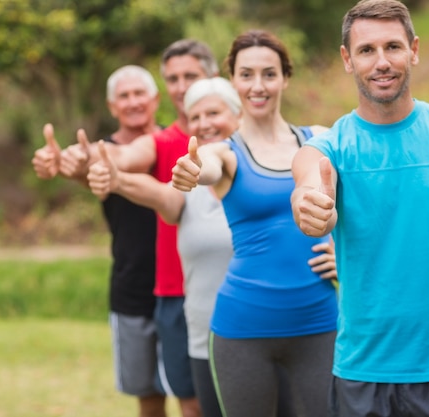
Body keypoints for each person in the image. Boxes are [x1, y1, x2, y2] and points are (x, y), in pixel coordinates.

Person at [289, 0, 429, 415]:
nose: (381, 62)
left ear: (414, 50)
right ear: (347, 60)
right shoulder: (327, 148)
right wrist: (314, 207)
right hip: (363, 374)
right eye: (367, 50)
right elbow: (310, 188)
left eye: (393, 47)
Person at [87, 77, 304, 417]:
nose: (204, 125)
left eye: (213, 113)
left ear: (238, 114)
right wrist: (117, 179)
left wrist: (339, 255)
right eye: (195, 118)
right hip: (206, 335)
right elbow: (158, 193)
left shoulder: (271, 176)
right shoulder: (188, 185)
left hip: (272, 328)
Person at [172, 30, 339, 417]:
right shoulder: (225, 152)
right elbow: (209, 165)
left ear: (285, 78)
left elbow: (364, 210)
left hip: (320, 323)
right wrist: (193, 169)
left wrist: (344, 255)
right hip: (243, 327)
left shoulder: (321, 139)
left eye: (269, 73)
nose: (258, 86)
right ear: (233, 81)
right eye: (247, 75)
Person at [56, 39, 219, 417]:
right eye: (173, 79)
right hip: (165, 291)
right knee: (184, 400)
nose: (181, 86)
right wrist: (81, 159)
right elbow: (121, 158)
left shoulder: (241, 142)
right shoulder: (158, 143)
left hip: (230, 289)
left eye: (190, 76)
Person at [31, 65, 167, 417]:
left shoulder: (177, 141)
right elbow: (82, 164)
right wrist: (59, 161)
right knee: (149, 399)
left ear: (155, 99)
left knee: (194, 397)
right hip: (133, 286)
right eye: (124, 95)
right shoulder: (103, 152)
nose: (133, 101)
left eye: (140, 93)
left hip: (183, 285)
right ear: (111, 106)